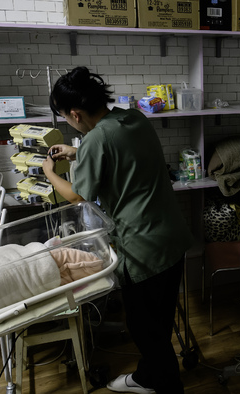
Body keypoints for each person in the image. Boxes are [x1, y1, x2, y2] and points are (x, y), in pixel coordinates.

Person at [42, 66, 193, 394]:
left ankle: (168, 387)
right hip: (172, 235)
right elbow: (119, 153)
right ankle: (147, 377)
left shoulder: (97, 139)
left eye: (66, 118)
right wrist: (78, 152)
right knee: (160, 321)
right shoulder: (133, 118)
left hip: (143, 246)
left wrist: (50, 172)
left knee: (143, 328)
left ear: (75, 113)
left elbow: (76, 195)